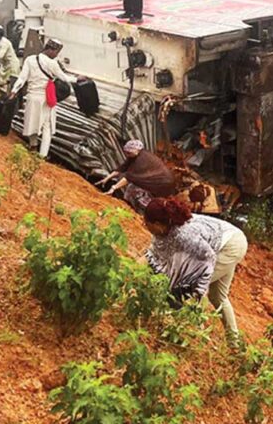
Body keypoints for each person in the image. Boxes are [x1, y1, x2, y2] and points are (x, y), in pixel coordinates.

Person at [144, 197, 247, 347]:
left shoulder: (185, 235)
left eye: (146, 223)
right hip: (225, 239)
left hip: (229, 246)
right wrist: (130, 271)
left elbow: (208, 260)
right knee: (217, 296)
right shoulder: (162, 231)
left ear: (157, 224)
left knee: (181, 291)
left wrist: (195, 287)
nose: (145, 226)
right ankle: (235, 344)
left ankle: (191, 336)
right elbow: (150, 255)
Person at [9, 39, 77, 158]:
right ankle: (42, 155)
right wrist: (78, 79)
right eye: (56, 52)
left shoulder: (30, 60)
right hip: (46, 98)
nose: (56, 55)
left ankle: (33, 146)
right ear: (51, 50)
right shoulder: (52, 64)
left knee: (32, 123)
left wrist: (14, 90)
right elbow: (64, 78)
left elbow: (22, 78)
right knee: (48, 126)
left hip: (32, 97)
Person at [96, 139, 178, 211]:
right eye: (126, 153)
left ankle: (140, 211)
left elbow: (129, 177)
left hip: (162, 184)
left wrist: (113, 188)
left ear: (136, 150)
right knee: (131, 188)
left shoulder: (141, 160)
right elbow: (122, 168)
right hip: (161, 181)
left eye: (128, 153)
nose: (126, 155)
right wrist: (107, 178)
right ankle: (127, 205)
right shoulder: (134, 156)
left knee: (136, 192)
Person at [0, 26, 20, 91]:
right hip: (4, 65)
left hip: (12, 65)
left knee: (10, 85)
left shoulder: (5, 42)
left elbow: (0, 55)